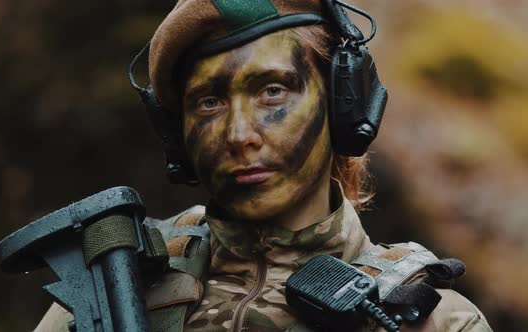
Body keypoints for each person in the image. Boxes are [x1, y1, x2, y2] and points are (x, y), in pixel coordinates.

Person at [36, 0, 492, 331]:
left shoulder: (433, 321)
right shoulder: (109, 298)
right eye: (209, 102)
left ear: (341, 103)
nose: (238, 134)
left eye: (272, 91)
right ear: (179, 135)